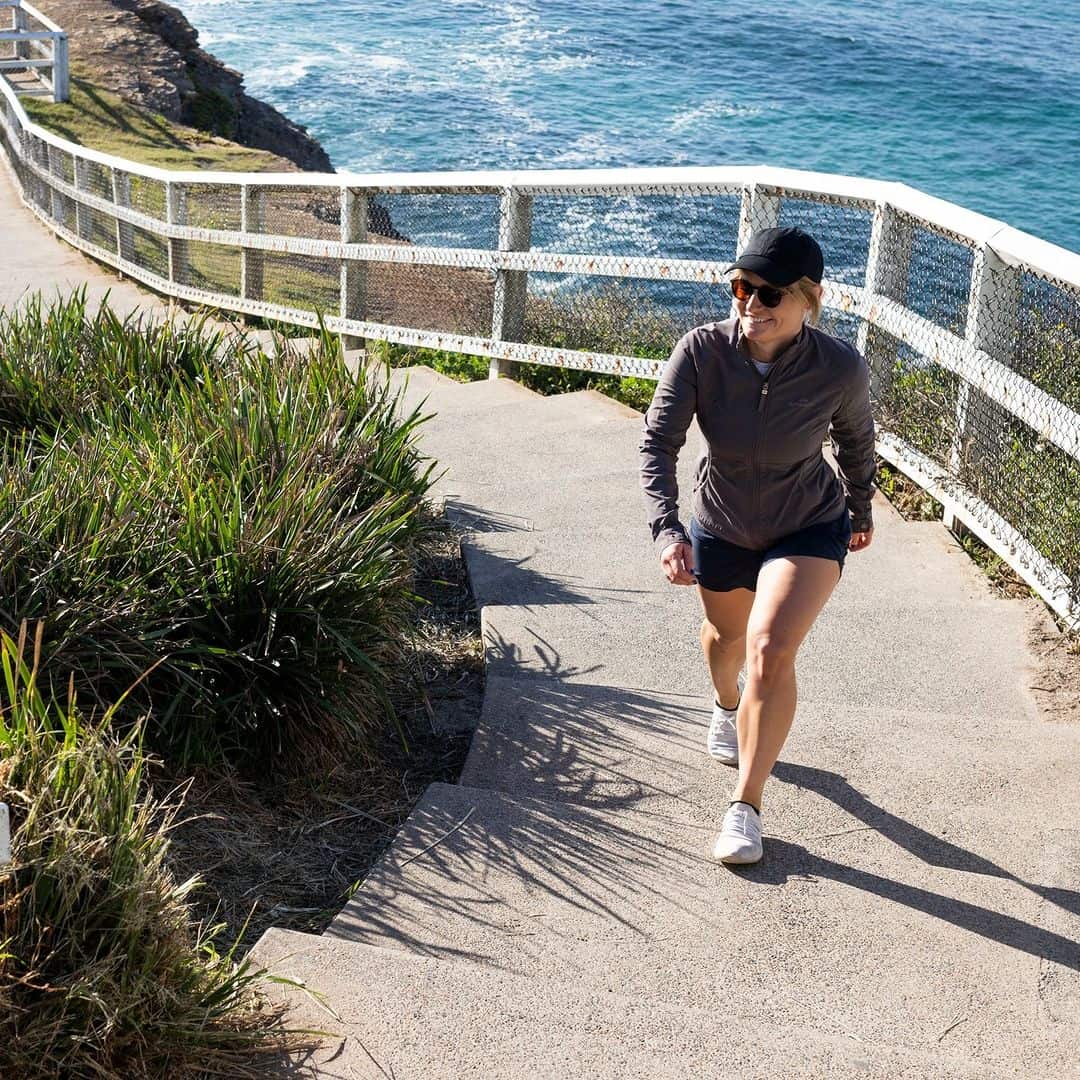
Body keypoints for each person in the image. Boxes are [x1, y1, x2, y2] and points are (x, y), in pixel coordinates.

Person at [639, 226, 876, 866]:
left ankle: (746, 806)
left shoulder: (838, 368)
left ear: (809, 299)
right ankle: (725, 702)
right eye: (742, 288)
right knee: (727, 642)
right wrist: (668, 530)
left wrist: (860, 507)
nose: (751, 304)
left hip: (808, 523)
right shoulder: (701, 352)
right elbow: (660, 443)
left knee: (770, 649)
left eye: (769, 293)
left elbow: (856, 441)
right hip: (721, 523)